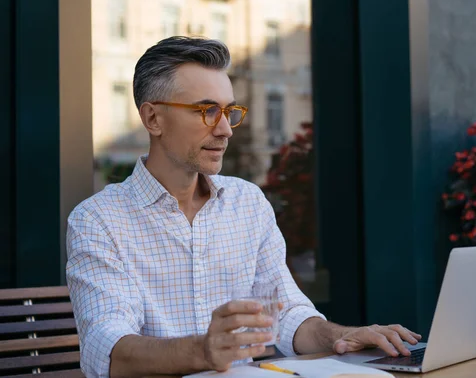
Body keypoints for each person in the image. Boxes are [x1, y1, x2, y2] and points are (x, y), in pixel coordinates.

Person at [66, 36, 421, 378]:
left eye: (228, 111)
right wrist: (203, 351)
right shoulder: (99, 220)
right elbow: (106, 348)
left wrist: (340, 337)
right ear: (153, 118)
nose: (225, 130)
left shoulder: (247, 203)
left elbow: (287, 314)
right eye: (206, 110)